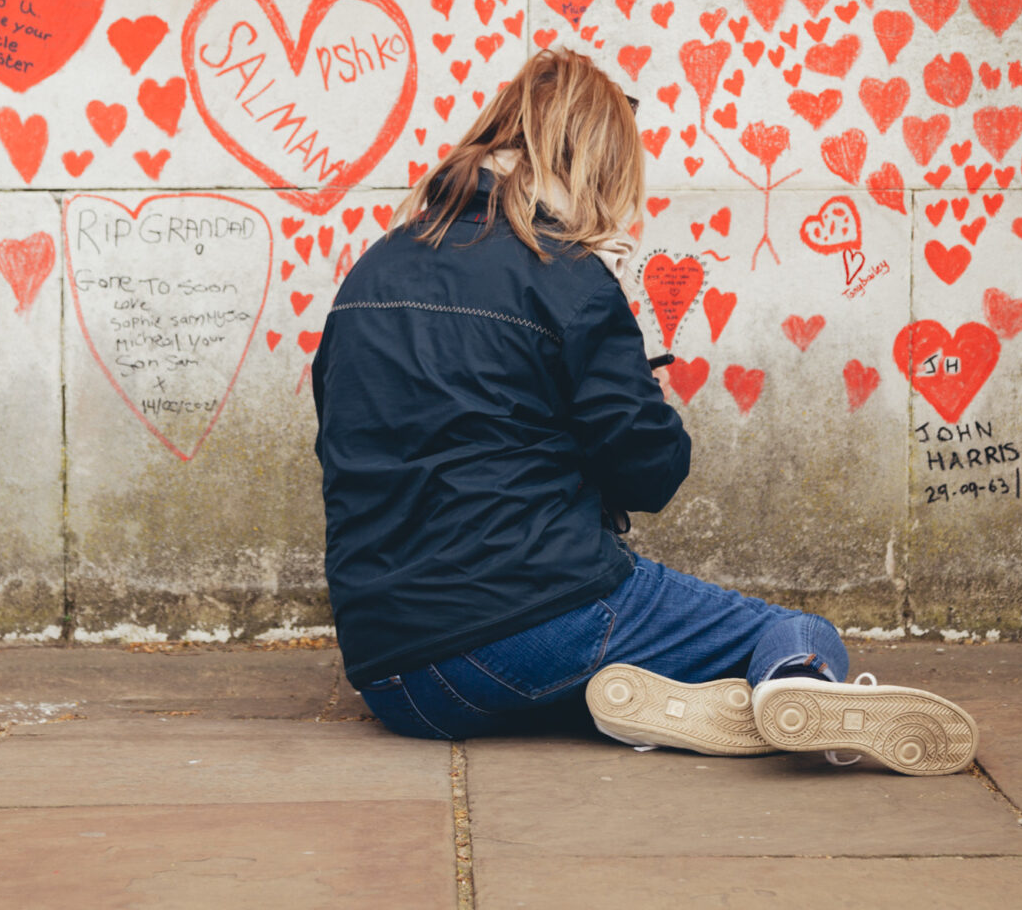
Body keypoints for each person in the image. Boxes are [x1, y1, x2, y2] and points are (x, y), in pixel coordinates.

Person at [311, 47, 977, 776]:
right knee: (795, 628)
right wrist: (613, 302)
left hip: (397, 680)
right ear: (593, 164)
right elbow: (649, 470)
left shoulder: (369, 271)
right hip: (531, 618)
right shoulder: (566, 277)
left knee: (566, 666)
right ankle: (793, 685)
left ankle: (632, 705)